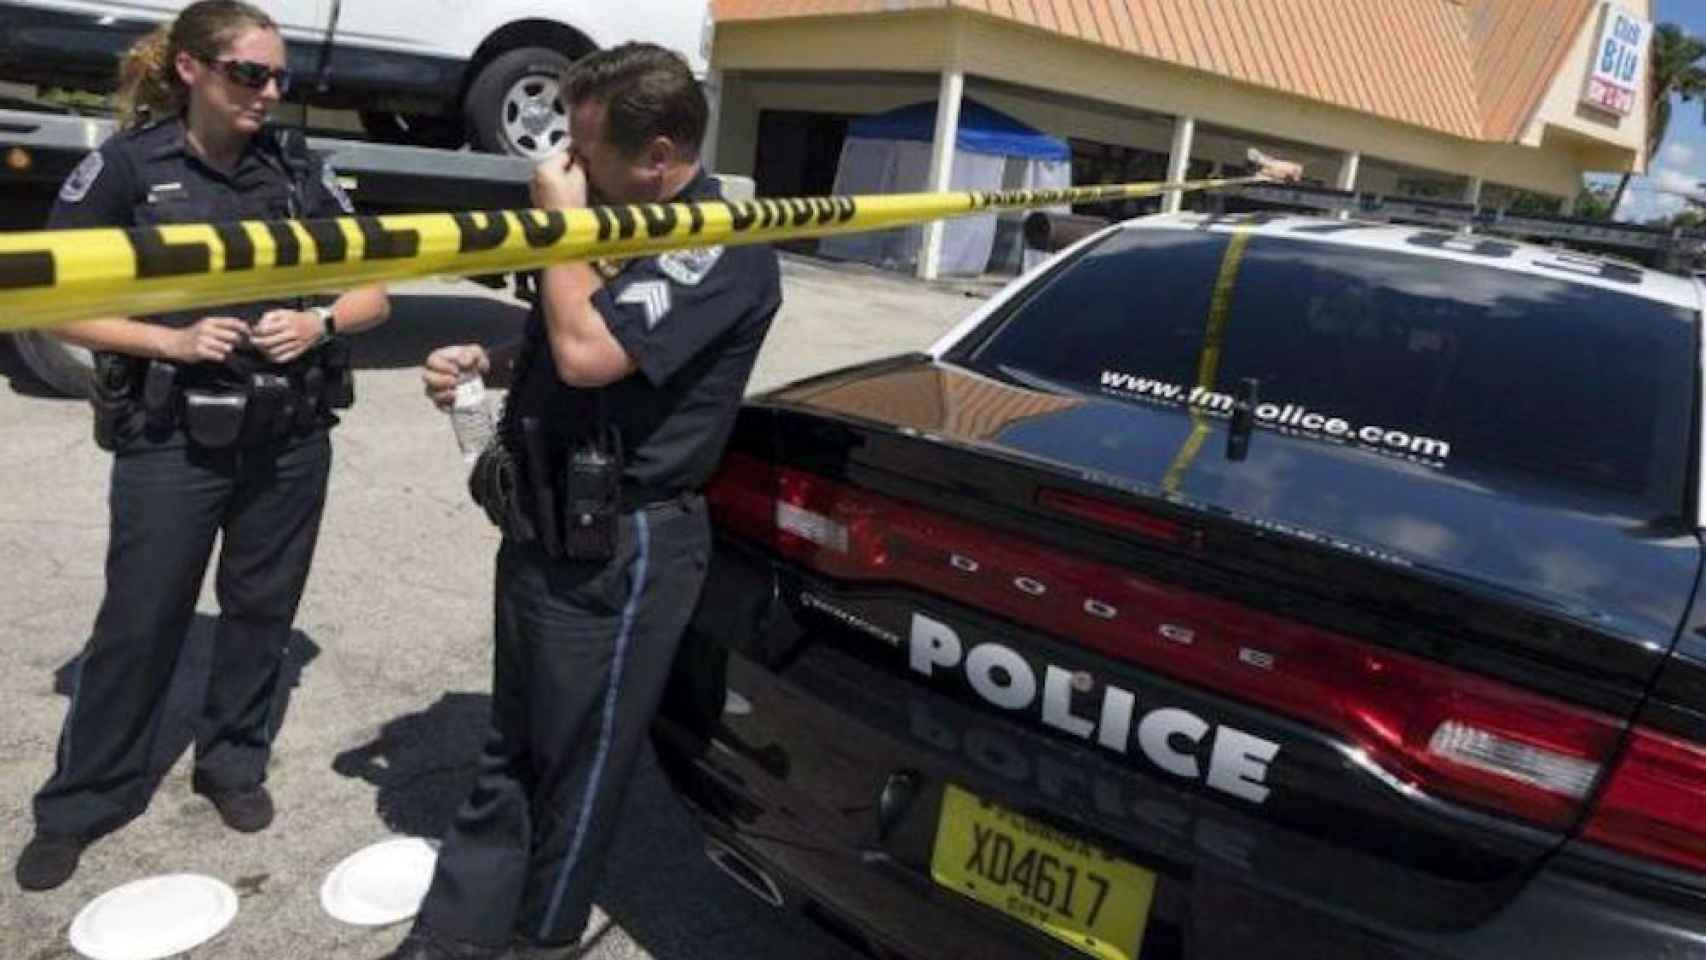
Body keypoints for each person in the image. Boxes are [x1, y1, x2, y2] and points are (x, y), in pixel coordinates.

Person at [387, 43, 781, 960]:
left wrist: (558, 229)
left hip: (623, 546)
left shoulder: (716, 240)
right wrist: (486, 370)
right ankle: (457, 930)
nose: (562, 163)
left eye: (584, 146)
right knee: (513, 742)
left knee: (581, 765)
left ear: (660, 153)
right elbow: (572, 346)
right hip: (543, 523)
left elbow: (591, 353)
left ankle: (542, 937)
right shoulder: (624, 218)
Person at [13, 0, 390, 892]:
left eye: (279, 78)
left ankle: (232, 765)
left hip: (290, 435)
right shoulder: (128, 169)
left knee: (262, 612)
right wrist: (170, 342)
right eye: (249, 74)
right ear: (191, 70)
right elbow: (44, 301)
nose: (268, 92)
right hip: (173, 438)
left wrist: (323, 319)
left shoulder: (298, 169)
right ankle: (83, 801)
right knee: (139, 623)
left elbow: (379, 290)